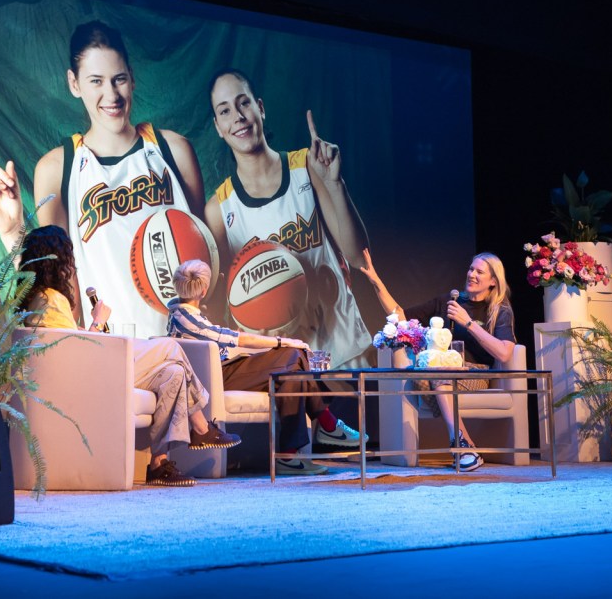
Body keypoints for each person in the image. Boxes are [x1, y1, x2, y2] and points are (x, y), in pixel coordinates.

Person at [0, 19, 206, 338]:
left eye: (119, 79)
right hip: (110, 351)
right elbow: (55, 283)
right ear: (74, 83)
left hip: (185, 341)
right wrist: (12, 229)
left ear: (133, 79)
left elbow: (208, 257)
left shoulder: (173, 150)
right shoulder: (58, 167)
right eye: (96, 81)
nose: (111, 94)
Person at [20, 225, 240, 487]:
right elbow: (77, 351)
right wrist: (98, 323)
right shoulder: (51, 299)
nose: (71, 266)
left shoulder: (38, 297)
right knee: (171, 347)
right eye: (68, 257)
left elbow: (65, 341)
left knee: (174, 373)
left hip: (92, 368)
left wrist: (89, 327)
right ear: (57, 261)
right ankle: (202, 427)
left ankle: (159, 463)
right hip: (93, 374)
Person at [204, 68, 372, 369]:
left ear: (261, 108)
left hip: (346, 356)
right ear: (218, 127)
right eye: (225, 111)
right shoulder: (219, 209)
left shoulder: (306, 165)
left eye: (244, 103)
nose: (238, 117)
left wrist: (335, 185)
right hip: (281, 370)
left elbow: (357, 257)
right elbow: (225, 309)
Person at [167, 259, 367, 476]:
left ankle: (291, 454)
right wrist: (283, 341)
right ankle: (327, 424)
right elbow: (237, 339)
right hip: (217, 377)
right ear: (204, 290)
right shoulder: (185, 318)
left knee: (291, 371)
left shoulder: (183, 315)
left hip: (224, 370)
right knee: (294, 354)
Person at [359, 251, 516, 472]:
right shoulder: (448, 302)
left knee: (438, 376)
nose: (472, 274)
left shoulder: (500, 309)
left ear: (493, 281)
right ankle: (466, 447)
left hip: (475, 373)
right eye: (471, 269)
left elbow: (504, 353)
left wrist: (468, 323)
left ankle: (460, 445)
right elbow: (401, 315)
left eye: (479, 272)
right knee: (425, 375)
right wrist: (376, 281)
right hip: (440, 370)